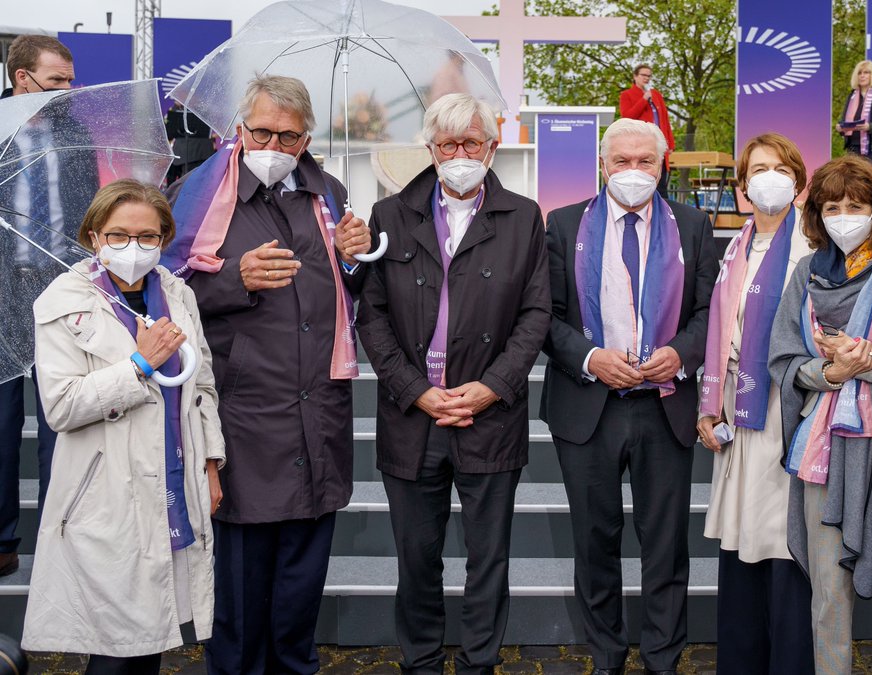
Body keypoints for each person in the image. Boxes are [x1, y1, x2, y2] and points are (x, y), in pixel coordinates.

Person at [164, 74, 372, 675]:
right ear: (239, 129)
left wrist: (358, 259)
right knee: (242, 584)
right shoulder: (198, 195)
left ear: (307, 139)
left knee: (302, 582)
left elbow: (348, 293)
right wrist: (234, 278)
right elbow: (165, 294)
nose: (274, 145)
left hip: (318, 414)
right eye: (262, 132)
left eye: (288, 136)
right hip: (246, 415)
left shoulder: (328, 192)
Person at [355, 93, 551, 674]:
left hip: (488, 413)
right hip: (412, 414)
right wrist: (414, 389)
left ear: (492, 147)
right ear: (430, 149)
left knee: (488, 558)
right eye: (447, 144)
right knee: (417, 557)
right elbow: (373, 313)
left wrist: (493, 387)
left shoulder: (523, 217)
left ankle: (479, 662)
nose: (459, 154)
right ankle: (419, 661)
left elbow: (536, 314)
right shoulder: (390, 215)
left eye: (471, 143)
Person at [21, 179, 224, 674]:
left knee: (153, 638)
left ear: (164, 239)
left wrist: (211, 463)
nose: (133, 248)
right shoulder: (64, 302)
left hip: (173, 483)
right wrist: (138, 365)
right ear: (94, 237)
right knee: (115, 647)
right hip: (107, 492)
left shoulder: (177, 294)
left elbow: (204, 387)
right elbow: (61, 407)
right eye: (118, 235)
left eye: (147, 237)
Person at [540, 118, 717, 675]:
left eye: (646, 162)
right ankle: (607, 654)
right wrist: (591, 359)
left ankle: (663, 658)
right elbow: (543, 315)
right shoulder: (564, 225)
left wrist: (683, 354)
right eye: (623, 162)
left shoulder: (692, 224)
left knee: (665, 545)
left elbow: (708, 308)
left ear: (662, 165)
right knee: (595, 545)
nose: (634, 172)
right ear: (603, 165)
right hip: (589, 406)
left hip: (664, 405)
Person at [770, 155, 872, 674]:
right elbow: (784, 359)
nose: (844, 215)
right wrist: (834, 373)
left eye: (856, 206)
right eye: (832, 206)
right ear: (817, 213)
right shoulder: (806, 272)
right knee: (828, 594)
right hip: (822, 448)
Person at [696, 133, 815, 675]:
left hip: (788, 414)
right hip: (738, 411)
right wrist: (709, 402)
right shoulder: (736, 244)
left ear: (798, 181)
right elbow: (722, 331)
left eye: (780, 168)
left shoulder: (813, 246)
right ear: (742, 189)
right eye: (758, 170)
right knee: (742, 545)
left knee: (782, 544)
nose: (769, 177)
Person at [0, 34, 81, 579]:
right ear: (21, 78)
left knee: (62, 419)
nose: (68, 91)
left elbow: (90, 206)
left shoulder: (77, 134)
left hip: (58, 289)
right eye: (57, 80)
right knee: (2, 422)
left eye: (71, 81)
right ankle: (2, 540)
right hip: (2, 291)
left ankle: (59, 539)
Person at [619, 64, 676, 197]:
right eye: (643, 75)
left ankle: (664, 213)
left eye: (649, 76)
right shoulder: (627, 95)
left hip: (659, 145)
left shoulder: (656, 95)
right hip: (640, 145)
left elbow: (665, 120)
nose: (646, 78)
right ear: (635, 76)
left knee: (661, 183)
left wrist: (670, 143)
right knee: (645, 181)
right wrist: (643, 100)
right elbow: (627, 117)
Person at [164, 102, 216, 186]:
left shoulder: (202, 107)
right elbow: (169, 133)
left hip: (194, 153)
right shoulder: (176, 109)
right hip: (188, 154)